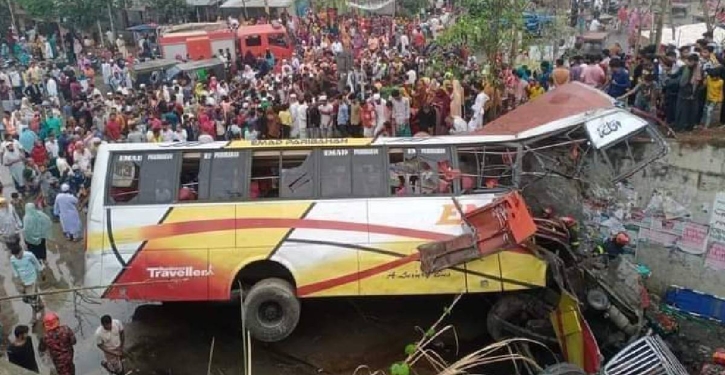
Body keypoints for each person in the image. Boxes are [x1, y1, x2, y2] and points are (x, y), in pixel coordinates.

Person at [9, 239, 44, 324]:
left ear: (21, 250)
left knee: (32, 298)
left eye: (19, 254)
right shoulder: (12, 259)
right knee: (27, 299)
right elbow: (15, 272)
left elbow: (37, 264)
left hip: (32, 280)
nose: (18, 256)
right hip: (23, 281)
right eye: (16, 255)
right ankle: (41, 305)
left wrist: (42, 273)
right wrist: (19, 284)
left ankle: (34, 316)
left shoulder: (29, 255)